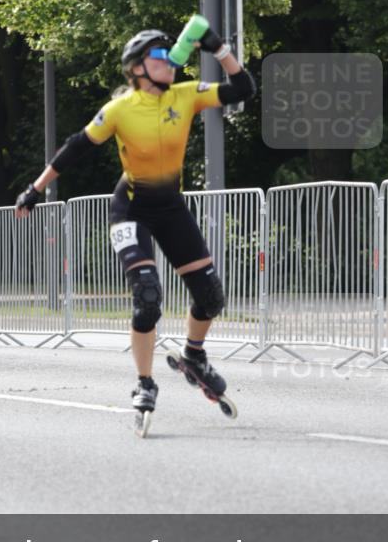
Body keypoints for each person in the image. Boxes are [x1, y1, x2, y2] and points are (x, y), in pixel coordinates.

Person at [15, 22, 256, 421]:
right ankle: (145, 382)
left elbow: (243, 89)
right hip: (131, 208)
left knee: (211, 295)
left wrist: (218, 48)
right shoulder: (119, 109)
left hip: (171, 208)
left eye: (170, 53)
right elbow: (75, 148)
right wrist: (35, 189)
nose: (170, 61)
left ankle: (194, 356)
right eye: (159, 56)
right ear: (137, 69)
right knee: (147, 297)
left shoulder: (186, 94)